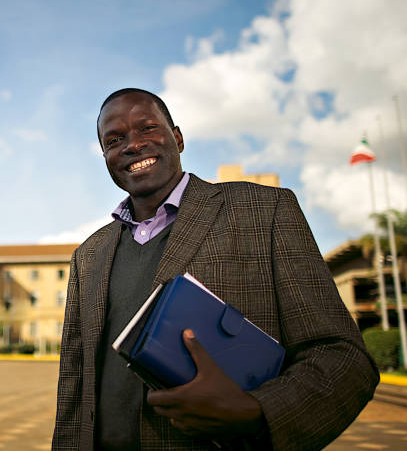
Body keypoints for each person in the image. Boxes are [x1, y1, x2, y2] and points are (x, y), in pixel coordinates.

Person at [52, 88, 379, 451]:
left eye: (147, 128)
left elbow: (342, 356)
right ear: (105, 157)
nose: (133, 145)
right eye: (115, 140)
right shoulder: (89, 255)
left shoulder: (264, 211)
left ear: (177, 138)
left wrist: (257, 412)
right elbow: (74, 390)